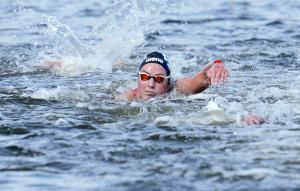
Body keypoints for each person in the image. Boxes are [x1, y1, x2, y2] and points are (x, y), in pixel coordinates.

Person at [118, 51, 264, 125]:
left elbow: (203, 77)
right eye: (144, 77)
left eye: (159, 79)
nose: (150, 84)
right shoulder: (127, 98)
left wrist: (216, 65)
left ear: (168, 83)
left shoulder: (176, 88)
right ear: (137, 78)